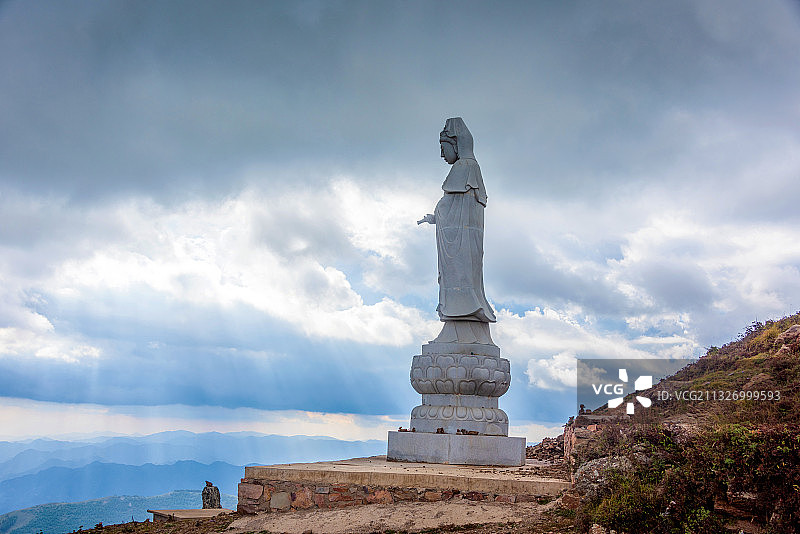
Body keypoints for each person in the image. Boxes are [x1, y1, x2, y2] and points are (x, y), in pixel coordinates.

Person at [418, 117, 496, 325]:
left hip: (461, 243)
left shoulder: (465, 167)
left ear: (456, 144)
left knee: (462, 275)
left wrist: (439, 213)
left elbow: (455, 208)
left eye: (444, 148)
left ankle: (466, 307)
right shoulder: (469, 167)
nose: (442, 154)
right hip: (460, 239)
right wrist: (437, 217)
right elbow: (456, 207)